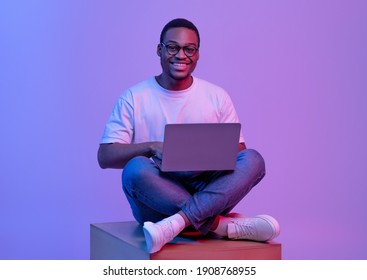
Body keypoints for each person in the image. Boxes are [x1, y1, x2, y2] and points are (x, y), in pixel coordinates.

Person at [98, 18, 280, 253]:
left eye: (189, 49)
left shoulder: (217, 95)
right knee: (135, 169)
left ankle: (177, 223)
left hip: (207, 186)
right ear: (159, 49)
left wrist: (204, 154)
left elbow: (240, 153)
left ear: (197, 54)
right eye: (173, 47)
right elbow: (105, 156)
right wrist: (153, 147)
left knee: (254, 159)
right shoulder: (133, 97)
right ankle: (219, 226)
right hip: (158, 194)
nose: (180, 55)